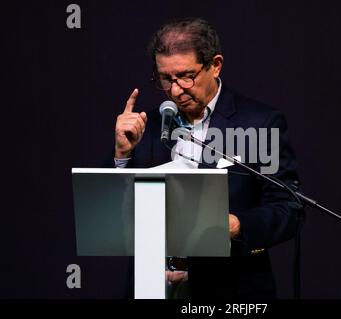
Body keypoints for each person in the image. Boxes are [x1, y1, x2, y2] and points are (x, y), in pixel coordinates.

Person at [113, 17, 302, 299]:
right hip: (151, 287)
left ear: (215, 65)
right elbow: (113, 214)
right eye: (166, 78)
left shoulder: (259, 123)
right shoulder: (145, 126)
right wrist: (122, 154)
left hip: (230, 289)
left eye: (186, 76)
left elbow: (289, 208)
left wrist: (236, 225)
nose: (175, 90)